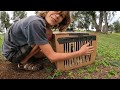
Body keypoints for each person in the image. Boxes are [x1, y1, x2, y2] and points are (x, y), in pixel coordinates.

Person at [2, 11, 94, 71]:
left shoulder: (39, 22)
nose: (57, 16)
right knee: (47, 34)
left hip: (16, 48)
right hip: (12, 54)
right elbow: (52, 57)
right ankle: (23, 62)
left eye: (61, 15)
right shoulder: (36, 23)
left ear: (62, 20)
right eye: (56, 11)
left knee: (47, 35)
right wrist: (80, 52)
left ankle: (30, 56)